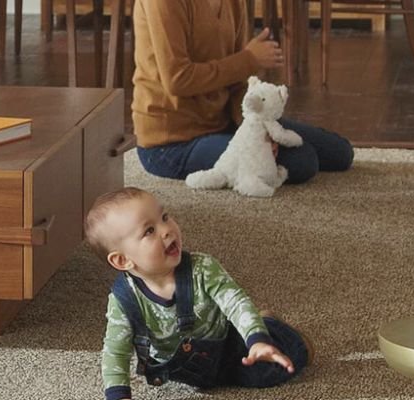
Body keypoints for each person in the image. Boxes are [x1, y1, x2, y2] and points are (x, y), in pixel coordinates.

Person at [86, 187, 312, 400]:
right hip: (179, 368)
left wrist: (257, 341)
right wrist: (118, 395)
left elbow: (236, 302)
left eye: (164, 217)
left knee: (277, 367)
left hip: (226, 346)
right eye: (149, 231)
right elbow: (115, 351)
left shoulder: (202, 268)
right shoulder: (123, 299)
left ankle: (269, 325)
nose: (166, 230)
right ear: (122, 260)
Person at [132, 0, 353, 184]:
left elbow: (237, 81)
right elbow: (177, 79)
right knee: (303, 161)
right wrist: (249, 60)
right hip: (172, 145)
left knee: (340, 153)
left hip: (223, 123)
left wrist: (255, 129)